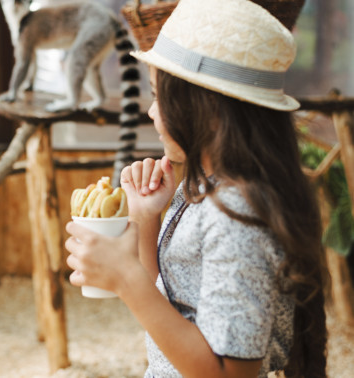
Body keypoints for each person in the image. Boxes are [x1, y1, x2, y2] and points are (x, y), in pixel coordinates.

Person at [64, 0, 328, 377]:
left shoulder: (239, 214)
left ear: (209, 110)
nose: (152, 112)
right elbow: (172, 297)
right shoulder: (206, 187)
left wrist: (125, 277)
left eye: (159, 97)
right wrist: (146, 216)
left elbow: (230, 373)